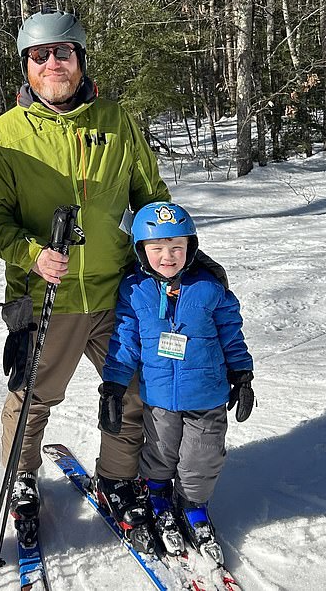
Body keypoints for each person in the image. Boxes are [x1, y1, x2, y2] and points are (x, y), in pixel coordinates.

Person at [0, 8, 173, 550]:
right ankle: (21, 477)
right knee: (32, 397)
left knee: (132, 392)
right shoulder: (6, 134)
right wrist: (31, 254)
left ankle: (117, 477)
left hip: (115, 291)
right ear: (26, 68)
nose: (53, 63)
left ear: (80, 61)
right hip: (44, 296)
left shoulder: (116, 121)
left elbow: (151, 197)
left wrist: (164, 250)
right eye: (41, 56)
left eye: (63, 53)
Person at [100, 201, 254, 563]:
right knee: (160, 452)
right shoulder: (134, 290)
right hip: (158, 397)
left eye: (176, 248)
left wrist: (242, 374)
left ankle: (193, 506)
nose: (167, 256)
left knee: (201, 456)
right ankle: (156, 495)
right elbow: (125, 341)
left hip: (207, 395)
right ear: (141, 251)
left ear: (191, 248)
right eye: (156, 249)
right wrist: (113, 385)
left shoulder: (209, 287)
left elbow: (232, 333)